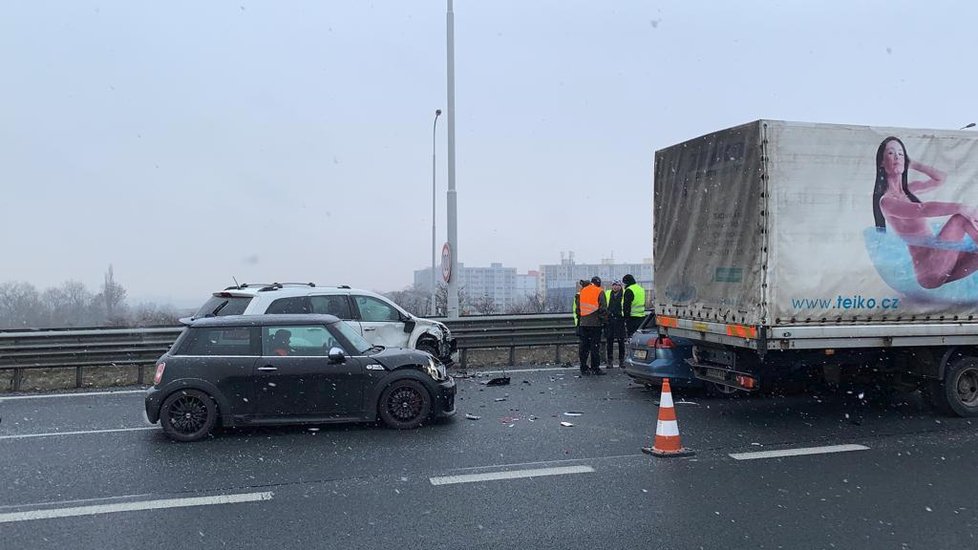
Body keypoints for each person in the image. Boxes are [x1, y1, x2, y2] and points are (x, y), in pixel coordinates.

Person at [874, 136, 978, 288]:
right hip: (928, 269)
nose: (897, 156)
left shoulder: (909, 191)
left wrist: (914, 164)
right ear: (882, 162)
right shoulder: (886, 201)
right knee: (959, 219)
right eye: (891, 153)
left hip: (941, 260)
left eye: (901, 154)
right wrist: (961, 207)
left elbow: (940, 178)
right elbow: (921, 209)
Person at [575, 276, 607, 375]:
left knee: (584, 346)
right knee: (595, 346)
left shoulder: (582, 291)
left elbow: (578, 309)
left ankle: (584, 367)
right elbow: (603, 308)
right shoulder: (599, 291)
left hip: (584, 324)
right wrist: (604, 321)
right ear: (599, 283)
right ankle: (595, 368)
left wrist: (582, 320)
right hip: (595, 324)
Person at [604, 280, 627, 367]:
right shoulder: (608, 293)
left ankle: (621, 361)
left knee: (621, 341)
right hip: (610, 320)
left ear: (620, 286)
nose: (615, 287)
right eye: (614, 285)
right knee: (609, 341)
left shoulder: (624, 294)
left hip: (620, 320)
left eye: (617, 285)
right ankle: (610, 361)